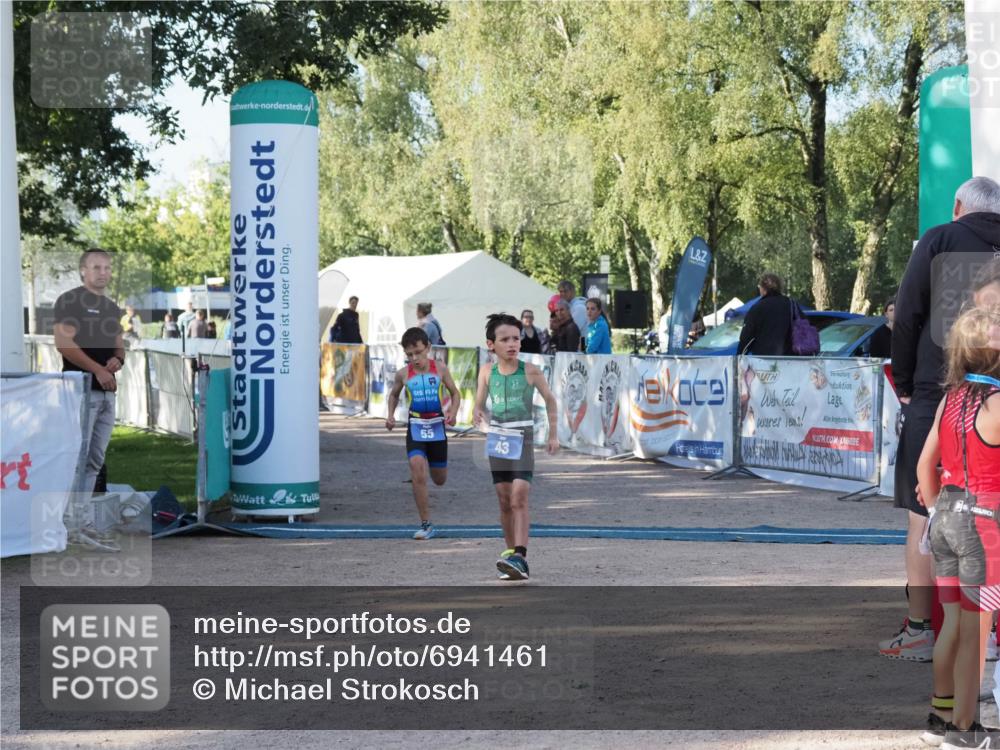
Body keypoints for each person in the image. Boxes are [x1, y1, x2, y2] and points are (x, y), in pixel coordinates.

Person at [884, 176, 1000, 662]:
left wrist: (907, 386)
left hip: (940, 394)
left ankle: (919, 628)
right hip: (996, 400)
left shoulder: (938, 239)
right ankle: (990, 632)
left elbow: (907, 315)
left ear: (958, 206)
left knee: (924, 517)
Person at [916, 307, 1000, 749]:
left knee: (952, 623)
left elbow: (924, 464)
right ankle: (965, 731)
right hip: (984, 532)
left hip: (947, 518)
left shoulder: (951, 400)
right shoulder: (997, 404)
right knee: (976, 632)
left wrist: (934, 515)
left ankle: (941, 715)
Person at [473, 313, 559, 580]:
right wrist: (477, 415)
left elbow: (550, 401)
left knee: (519, 497)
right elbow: (478, 404)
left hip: (523, 438)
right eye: (505, 339)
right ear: (491, 345)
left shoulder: (530, 371)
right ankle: (511, 556)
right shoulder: (487, 372)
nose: (512, 344)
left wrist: (553, 434)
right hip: (498, 439)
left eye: (516, 339)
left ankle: (520, 556)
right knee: (504, 500)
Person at [53, 248, 124, 552]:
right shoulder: (70, 301)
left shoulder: (111, 306)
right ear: (83, 270)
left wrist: (116, 362)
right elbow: (64, 344)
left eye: (107, 267)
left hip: (107, 393)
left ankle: (79, 523)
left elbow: (119, 347)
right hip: (81, 389)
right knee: (76, 458)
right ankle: (63, 522)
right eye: (96, 267)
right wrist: (96, 370)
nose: (103, 273)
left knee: (95, 459)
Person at [385, 327, 461, 540]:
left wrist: (453, 413)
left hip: (437, 427)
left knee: (439, 479)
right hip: (416, 427)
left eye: (418, 352)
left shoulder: (441, 369)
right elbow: (393, 395)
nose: (414, 358)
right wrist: (390, 415)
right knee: (417, 469)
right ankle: (426, 524)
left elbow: (455, 393)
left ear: (428, 347)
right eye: (409, 355)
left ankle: (437, 466)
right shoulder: (403, 374)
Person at [737, 273, 796, 356]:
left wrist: (740, 355)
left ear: (763, 289)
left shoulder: (758, 307)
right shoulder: (791, 304)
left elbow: (747, 336)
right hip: (790, 359)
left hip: (764, 359)